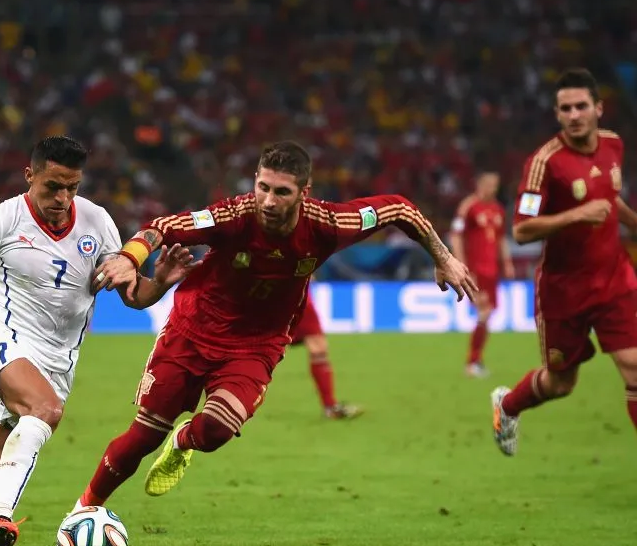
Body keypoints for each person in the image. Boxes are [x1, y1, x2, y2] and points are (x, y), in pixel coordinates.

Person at [76, 140, 476, 507]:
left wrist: (443, 258)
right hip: (192, 331)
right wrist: (129, 258)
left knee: (216, 429)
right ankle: (84, 509)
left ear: (305, 192)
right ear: (255, 181)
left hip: (256, 344)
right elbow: (161, 227)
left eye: (281, 191)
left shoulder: (328, 224)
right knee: (144, 434)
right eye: (263, 186)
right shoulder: (232, 216)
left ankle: (183, 442)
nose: (268, 200)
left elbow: (400, 208)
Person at [0, 136, 195, 546]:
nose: (63, 198)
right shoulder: (1, 221)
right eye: (53, 187)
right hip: (5, 344)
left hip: (58, 364)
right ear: (30, 176)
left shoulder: (98, 222)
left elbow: (132, 295)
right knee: (44, 411)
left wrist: (160, 281)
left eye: (73, 187)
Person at [491, 68, 637, 455]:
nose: (574, 115)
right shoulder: (545, 163)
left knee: (635, 366)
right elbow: (521, 230)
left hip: (614, 279)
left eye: (581, 106)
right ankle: (507, 405)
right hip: (563, 291)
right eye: (565, 108)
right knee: (561, 383)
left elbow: (609, 198)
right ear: (557, 114)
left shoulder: (613, 146)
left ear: (599, 109)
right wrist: (575, 215)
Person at [449, 171, 515, 377]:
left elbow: (501, 238)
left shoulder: (497, 209)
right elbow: (456, 236)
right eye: (489, 184)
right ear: (480, 185)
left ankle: (476, 361)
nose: (493, 189)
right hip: (475, 269)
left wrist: (507, 262)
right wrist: (460, 264)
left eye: (495, 185)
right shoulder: (468, 206)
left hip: (492, 270)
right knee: (484, 312)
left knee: (487, 314)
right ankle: (473, 362)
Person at [287, 290, 361, 419]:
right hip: (292, 290)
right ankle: (330, 407)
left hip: (277, 288)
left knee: (253, 343)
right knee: (318, 347)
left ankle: (330, 406)